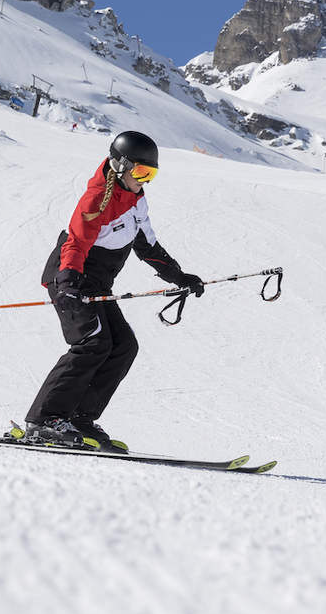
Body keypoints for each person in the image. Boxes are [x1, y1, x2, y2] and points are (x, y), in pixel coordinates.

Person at [22, 131, 205, 452]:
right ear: (121, 166)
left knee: (123, 346)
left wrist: (179, 276)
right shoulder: (97, 199)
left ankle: (79, 417)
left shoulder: (136, 200)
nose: (145, 181)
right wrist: (67, 282)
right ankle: (44, 421)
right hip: (70, 279)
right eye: (141, 173)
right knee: (92, 343)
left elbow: (147, 245)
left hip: (96, 285)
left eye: (152, 174)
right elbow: (76, 243)